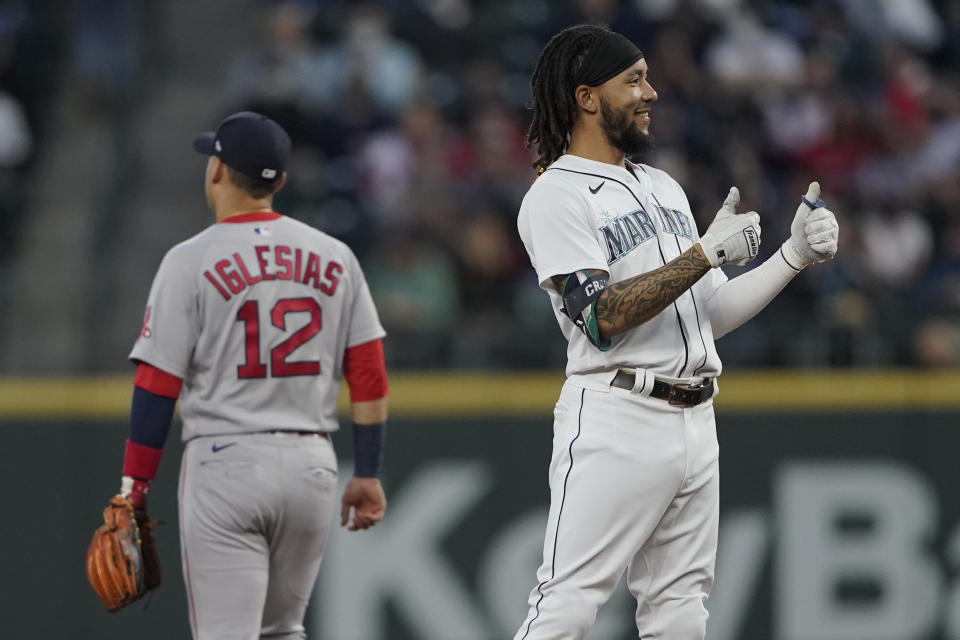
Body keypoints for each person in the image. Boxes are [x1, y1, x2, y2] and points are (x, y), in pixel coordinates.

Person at [514, 25, 838, 640]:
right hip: (617, 412)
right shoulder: (555, 194)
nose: (651, 92)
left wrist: (791, 256)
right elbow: (600, 316)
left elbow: (707, 316)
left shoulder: (661, 186)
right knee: (567, 607)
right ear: (586, 97)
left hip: (695, 414)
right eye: (632, 79)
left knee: (681, 610)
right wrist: (704, 256)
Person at [118, 111, 389, 639]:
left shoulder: (188, 260)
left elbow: (156, 383)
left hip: (227, 463)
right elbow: (368, 373)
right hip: (311, 465)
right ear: (280, 182)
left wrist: (135, 488)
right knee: (283, 632)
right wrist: (369, 470)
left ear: (216, 170)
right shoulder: (336, 256)